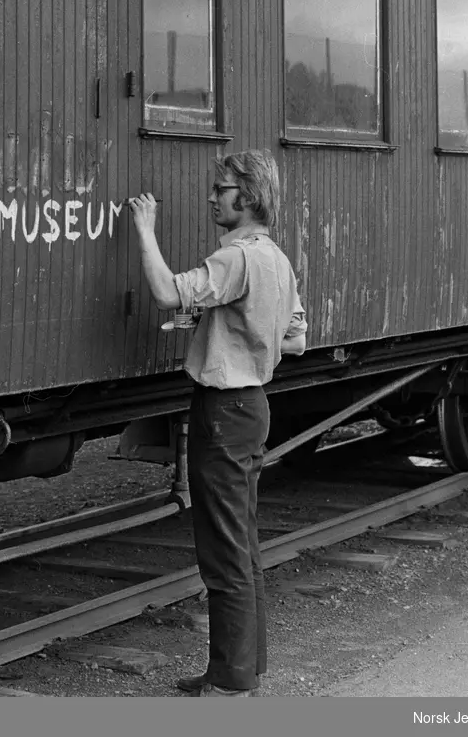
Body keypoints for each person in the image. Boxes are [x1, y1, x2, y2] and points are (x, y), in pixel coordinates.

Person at [129, 149, 307, 697]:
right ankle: (244, 671)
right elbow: (297, 340)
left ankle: (230, 686)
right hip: (252, 407)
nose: (212, 195)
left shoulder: (238, 259)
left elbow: (165, 291)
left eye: (221, 187)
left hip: (223, 411)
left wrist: (144, 227)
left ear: (248, 196)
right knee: (244, 545)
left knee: (223, 550)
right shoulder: (275, 258)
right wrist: (238, 327)